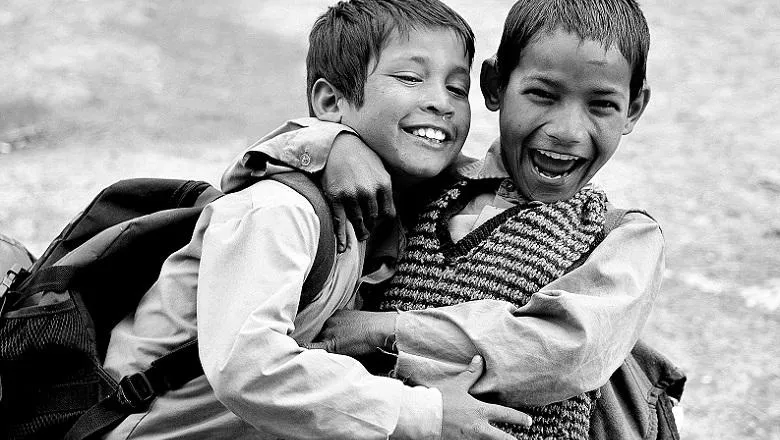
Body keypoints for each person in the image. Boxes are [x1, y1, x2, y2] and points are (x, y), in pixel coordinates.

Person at [101, 1, 532, 439]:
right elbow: (249, 368)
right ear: (330, 101)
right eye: (409, 78)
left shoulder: (398, 208)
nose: (441, 102)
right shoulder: (280, 210)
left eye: (457, 88)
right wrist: (425, 413)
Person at [241, 0, 664, 438]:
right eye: (542, 94)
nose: (568, 131)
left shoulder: (623, 236)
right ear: (495, 84)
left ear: (634, 108)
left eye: (602, 105)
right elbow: (252, 173)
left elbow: (568, 348)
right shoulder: (423, 183)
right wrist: (333, 143)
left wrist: (388, 331)